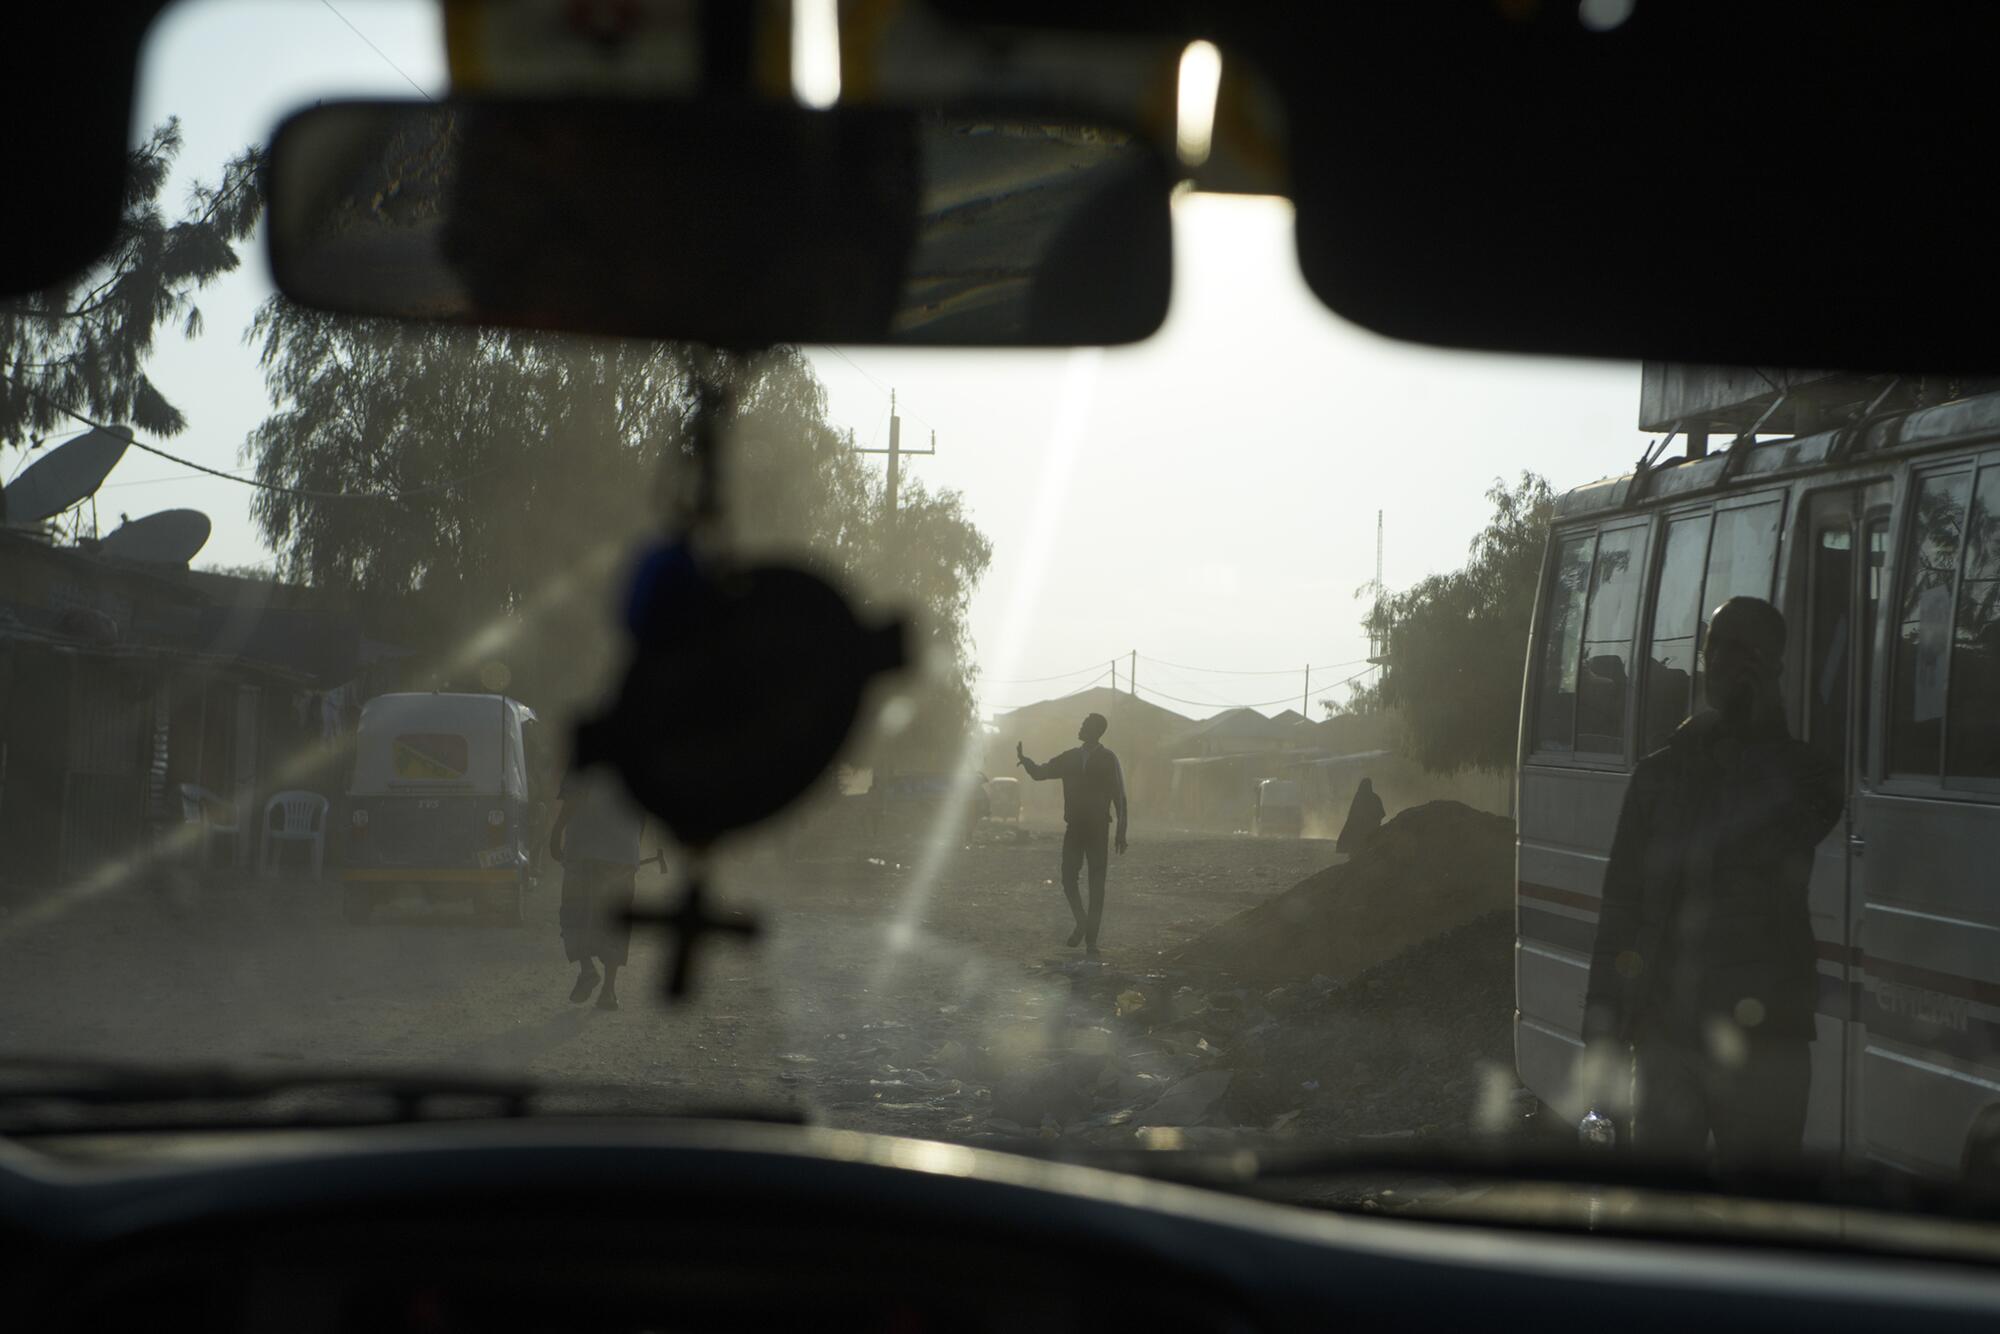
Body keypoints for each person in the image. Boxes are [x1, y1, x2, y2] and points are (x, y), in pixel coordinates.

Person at [1582, 596, 1843, 1168]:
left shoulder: (1806, 773)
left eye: (1745, 651)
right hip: (1666, 1039)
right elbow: (1621, 905)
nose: (1725, 662)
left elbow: (1793, 825)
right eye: (1715, 646)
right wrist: (1603, 1024)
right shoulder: (1660, 773)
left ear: (1774, 665)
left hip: (1767, 1041)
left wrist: (1759, 719)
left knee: (1762, 1228)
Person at [1017, 712, 1129, 956]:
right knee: (1068, 877)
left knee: (1096, 885)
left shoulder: (1109, 759)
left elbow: (1119, 797)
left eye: (1085, 725)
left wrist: (1121, 831)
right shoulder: (1070, 757)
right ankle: (1081, 920)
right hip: (1075, 827)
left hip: (1099, 828)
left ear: (1095, 730)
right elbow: (1041, 772)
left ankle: (1091, 942)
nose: (1080, 727)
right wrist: (1026, 762)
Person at [548, 763, 649, 1011]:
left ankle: (587, 968)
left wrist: (555, 833)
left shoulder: (588, 749)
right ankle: (609, 991)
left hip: (584, 848)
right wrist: (633, 849)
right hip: (622, 853)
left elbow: (572, 800)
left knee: (574, 912)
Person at [1336, 777, 1384, 855]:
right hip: (1370, 829)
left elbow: (1352, 816)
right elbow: (1381, 814)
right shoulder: (1375, 798)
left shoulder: (1359, 798)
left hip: (1361, 831)